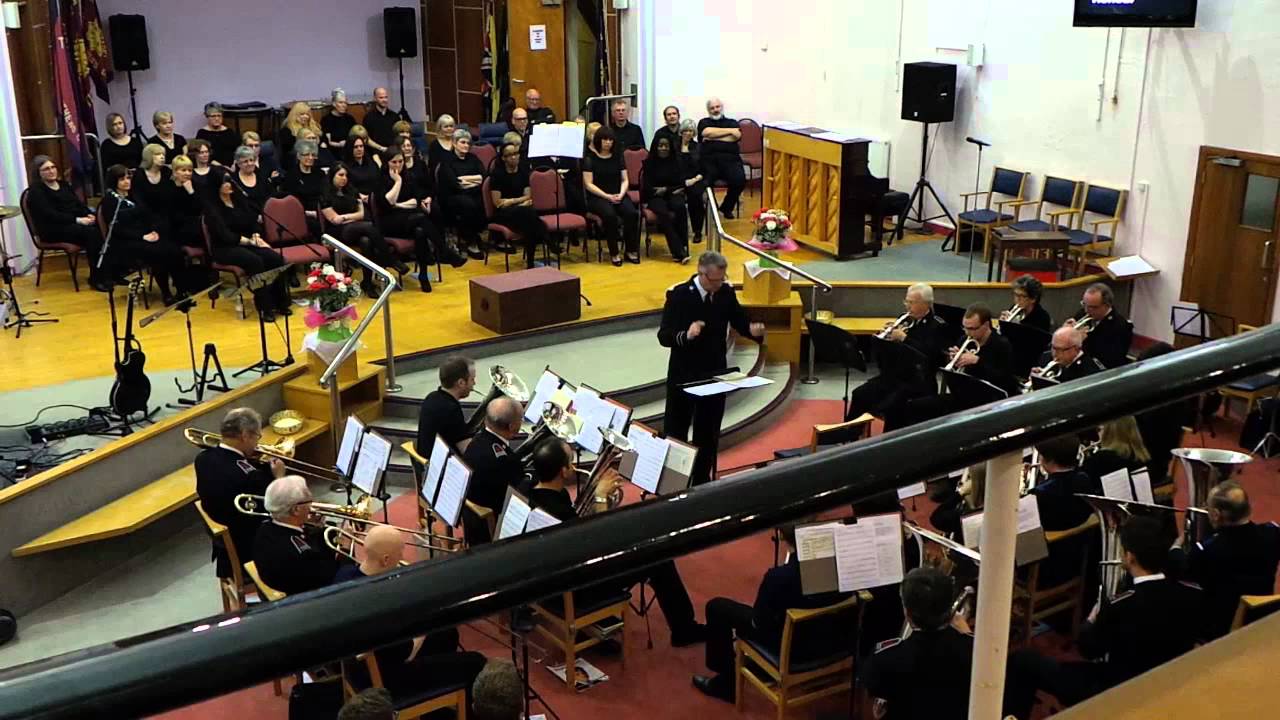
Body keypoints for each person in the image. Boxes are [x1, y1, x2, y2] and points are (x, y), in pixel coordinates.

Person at [1006, 516, 1203, 718]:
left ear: (1130, 557)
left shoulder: (1120, 605)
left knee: (1024, 660)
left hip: (1117, 691)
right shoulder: (1192, 593)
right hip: (1170, 684)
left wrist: (1091, 619)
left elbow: (1088, 650)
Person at [527, 439, 706, 646]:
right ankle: (684, 629)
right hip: (577, 589)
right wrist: (601, 498)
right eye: (570, 462)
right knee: (658, 558)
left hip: (550, 578)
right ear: (563, 471)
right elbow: (601, 552)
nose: (574, 466)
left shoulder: (534, 491)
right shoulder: (561, 513)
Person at [692, 522, 854, 703]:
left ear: (782, 536)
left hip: (794, 650)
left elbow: (759, 623)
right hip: (834, 642)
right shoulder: (844, 566)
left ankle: (726, 683)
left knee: (717, 607)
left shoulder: (778, 577)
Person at [333, 526, 487, 702]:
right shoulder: (381, 604)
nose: (402, 557)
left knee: (447, 634)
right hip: (386, 679)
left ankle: (441, 702)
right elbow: (408, 653)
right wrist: (425, 625)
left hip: (355, 665)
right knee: (476, 662)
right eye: (400, 553)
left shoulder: (345, 574)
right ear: (385, 560)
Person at [659, 251, 765, 486]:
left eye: (721, 278)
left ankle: (701, 481)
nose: (719, 284)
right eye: (714, 280)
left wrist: (752, 330)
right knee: (676, 432)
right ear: (701, 273)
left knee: (707, 433)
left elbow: (739, 320)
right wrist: (686, 335)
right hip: (684, 375)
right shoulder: (678, 296)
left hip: (715, 373)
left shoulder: (725, 293)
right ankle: (673, 482)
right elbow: (664, 335)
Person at [860, 567, 974, 720]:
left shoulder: (885, 659)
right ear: (949, 608)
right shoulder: (974, 650)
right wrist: (967, 634)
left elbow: (873, 693)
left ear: (907, 613)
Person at [1176, 481, 1280, 639]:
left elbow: (1183, 570)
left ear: (1216, 515)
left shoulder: (1206, 551)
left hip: (1221, 628)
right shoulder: (1273, 533)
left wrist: (1176, 548)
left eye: (1209, 508)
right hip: (1263, 614)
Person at [892, 303, 1017, 429]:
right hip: (963, 396)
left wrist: (978, 362)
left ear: (986, 325)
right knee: (912, 407)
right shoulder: (964, 339)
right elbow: (952, 374)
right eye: (965, 328)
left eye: (972, 328)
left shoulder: (1002, 345)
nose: (968, 333)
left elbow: (1004, 380)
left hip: (987, 401)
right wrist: (952, 359)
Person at [194, 408, 285, 576]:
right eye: (256, 436)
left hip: (223, 541)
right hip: (246, 545)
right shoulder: (249, 478)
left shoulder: (202, 458)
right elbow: (279, 506)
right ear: (244, 435)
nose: (257, 443)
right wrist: (279, 477)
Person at [845, 283, 947, 422]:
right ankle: (850, 434)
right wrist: (886, 338)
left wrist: (904, 338)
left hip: (919, 381)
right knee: (860, 394)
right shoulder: (905, 318)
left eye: (912, 302)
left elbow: (931, 357)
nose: (907, 306)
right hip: (896, 375)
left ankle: (887, 440)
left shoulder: (937, 326)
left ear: (926, 304)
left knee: (890, 407)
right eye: (906, 301)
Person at [99, 164, 197, 304]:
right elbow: (116, 229)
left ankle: (182, 291)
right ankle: (166, 293)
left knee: (174, 249)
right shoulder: (110, 201)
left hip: (145, 236)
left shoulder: (134, 195)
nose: (127, 182)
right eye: (122, 179)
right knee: (159, 252)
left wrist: (154, 230)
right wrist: (142, 236)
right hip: (126, 240)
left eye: (128, 178)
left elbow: (148, 215)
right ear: (114, 181)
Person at [205, 170, 291, 320]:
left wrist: (256, 235)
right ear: (216, 186)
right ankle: (265, 307)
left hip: (247, 242)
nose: (229, 185)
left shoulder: (239, 200)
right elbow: (224, 235)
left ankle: (281, 302)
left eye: (230, 181)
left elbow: (252, 222)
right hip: (225, 248)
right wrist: (249, 241)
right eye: (225, 182)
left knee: (275, 258)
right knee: (255, 261)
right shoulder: (212, 208)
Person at [377, 150, 463, 292]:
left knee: (420, 231)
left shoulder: (409, 176)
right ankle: (444, 251)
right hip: (389, 222)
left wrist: (398, 205)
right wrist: (397, 182)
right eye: (394, 162)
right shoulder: (381, 179)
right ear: (387, 163)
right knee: (421, 219)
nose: (398, 165)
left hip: (410, 219)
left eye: (400, 161)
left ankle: (424, 274)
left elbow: (415, 201)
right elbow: (387, 203)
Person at [25, 155, 111, 291]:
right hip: (53, 229)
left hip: (72, 224)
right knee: (91, 234)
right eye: (46, 169)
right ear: (38, 173)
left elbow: (77, 204)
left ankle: (109, 272)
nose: (51, 171)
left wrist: (89, 214)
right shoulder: (36, 191)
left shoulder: (64, 185)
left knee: (103, 227)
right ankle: (96, 278)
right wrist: (78, 220)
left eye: (53, 167)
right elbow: (50, 215)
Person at [321, 162, 406, 297]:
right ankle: (390, 259)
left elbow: (361, 214)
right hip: (336, 233)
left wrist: (346, 217)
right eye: (340, 175)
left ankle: (367, 282)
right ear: (332, 176)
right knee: (368, 226)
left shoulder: (352, 191)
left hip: (356, 229)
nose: (344, 178)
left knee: (366, 241)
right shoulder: (325, 194)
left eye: (346, 175)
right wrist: (350, 218)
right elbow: (334, 220)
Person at [252, 475, 347, 595]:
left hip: (279, 576)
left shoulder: (266, 526)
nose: (313, 504)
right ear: (296, 510)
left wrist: (313, 526)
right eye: (309, 502)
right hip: (308, 594)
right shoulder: (299, 553)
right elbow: (331, 574)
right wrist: (346, 548)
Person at [1028, 435, 1097, 588]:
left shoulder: (1039, 495)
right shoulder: (1083, 480)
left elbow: (1029, 546)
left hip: (1046, 572)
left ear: (1049, 460)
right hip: (1077, 565)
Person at [1133, 342, 1197, 485]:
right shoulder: (1162, 391)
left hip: (1150, 463)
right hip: (1144, 454)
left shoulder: (1171, 401)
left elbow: (1148, 437)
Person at [462, 396, 526, 524]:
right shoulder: (506, 462)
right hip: (493, 522)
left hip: (471, 514)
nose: (522, 421)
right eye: (521, 419)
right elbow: (520, 498)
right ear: (512, 427)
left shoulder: (475, 442)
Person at [584, 126, 640, 266]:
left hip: (618, 193)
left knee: (632, 213)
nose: (608, 143)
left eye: (610, 140)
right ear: (598, 141)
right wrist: (607, 196)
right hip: (598, 196)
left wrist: (621, 194)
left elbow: (625, 179)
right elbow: (588, 184)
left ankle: (630, 250)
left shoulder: (617, 158)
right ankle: (614, 253)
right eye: (604, 140)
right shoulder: (590, 159)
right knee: (609, 216)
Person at [490, 143, 550, 266]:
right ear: (503, 158)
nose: (514, 157)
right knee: (529, 215)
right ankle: (547, 239)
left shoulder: (523, 171)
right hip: (502, 214)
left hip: (519, 211)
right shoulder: (497, 174)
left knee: (529, 225)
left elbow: (528, 195)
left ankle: (531, 263)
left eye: (516, 154)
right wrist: (519, 202)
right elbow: (497, 202)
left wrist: (511, 201)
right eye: (509, 155)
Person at [439, 129, 488, 259]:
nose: (466, 145)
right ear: (454, 143)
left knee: (483, 202)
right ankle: (471, 240)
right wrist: (475, 179)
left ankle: (474, 235)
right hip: (453, 196)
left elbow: (483, 176)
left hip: (473, 192)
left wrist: (466, 179)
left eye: (468, 143)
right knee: (469, 205)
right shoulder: (447, 161)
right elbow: (455, 183)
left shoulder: (473, 158)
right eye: (463, 142)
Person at [642, 135, 691, 263]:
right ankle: (678, 250)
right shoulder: (649, 163)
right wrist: (660, 191)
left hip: (671, 193)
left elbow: (680, 183)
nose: (663, 148)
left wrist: (666, 189)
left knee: (680, 207)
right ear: (655, 147)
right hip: (654, 196)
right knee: (664, 214)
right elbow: (646, 186)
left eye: (666, 146)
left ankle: (683, 245)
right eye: (660, 146)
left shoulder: (676, 162)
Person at [416, 356, 477, 456]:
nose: (474, 383)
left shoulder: (431, 397)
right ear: (461, 383)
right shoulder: (451, 409)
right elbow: (467, 452)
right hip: (441, 466)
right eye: (472, 379)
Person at [697, 97, 745, 219]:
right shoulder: (704, 122)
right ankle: (711, 210)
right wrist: (729, 133)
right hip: (709, 161)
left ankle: (726, 207)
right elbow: (706, 132)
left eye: (717, 107)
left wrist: (713, 137)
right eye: (712, 108)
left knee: (739, 180)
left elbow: (736, 136)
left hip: (731, 161)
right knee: (705, 182)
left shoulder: (732, 122)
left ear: (721, 107)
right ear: (708, 110)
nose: (715, 110)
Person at [1066, 282, 1133, 369]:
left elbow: (1108, 361)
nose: (1086, 310)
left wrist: (1080, 341)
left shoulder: (1121, 326)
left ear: (1107, 305)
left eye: (1093, 307)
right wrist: (1065, 333)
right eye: (1084, 304)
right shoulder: (1082, 313)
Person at [1079, 416, 1151, 488]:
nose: (1099, 434)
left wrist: (1082, 460)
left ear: (1109, 431)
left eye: (1099, 429)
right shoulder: (1141, 455)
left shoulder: (1101, 458)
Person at [1030, 326, 1105, 385]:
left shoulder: (1089, 372)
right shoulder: (1045, 357)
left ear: (1076, 349)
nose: (1055, 354)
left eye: (1061, 350)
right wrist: (1035, 379)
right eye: (1054, 348)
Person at [279, 139, 325, 236]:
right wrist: (308, 212)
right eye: (306, 154)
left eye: (313, 155)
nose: (310, 157)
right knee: (315, 226)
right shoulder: (291, 175)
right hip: (302, 214)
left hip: (321, 211)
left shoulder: (320, 173)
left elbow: (325, 194)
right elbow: (290, 201)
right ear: (299, 156)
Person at [162, 155, 208, 252]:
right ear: (174, 172)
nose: (187, 173)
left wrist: (191, 191)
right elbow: (171, 215)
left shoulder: (196, 185)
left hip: (195, 223)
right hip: (176, 226)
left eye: (190, 170)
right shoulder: (167, 188)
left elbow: (201, 208)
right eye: (183, 170)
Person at [677, 119, 706, 243]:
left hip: (694, 180)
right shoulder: (674, 146)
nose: (688, 133)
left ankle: (697, 231)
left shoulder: (699, 147)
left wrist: (694, 180)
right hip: (677, 180)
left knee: (696, 198)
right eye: (685, 131)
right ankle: (679, 231)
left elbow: (704, 168)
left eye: (690, 131)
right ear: (681, 132)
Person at [132, 144, 172, 216]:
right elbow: (138, 199)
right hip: (145, 215)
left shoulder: (167, 172)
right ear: (148, 156)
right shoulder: (139, 175)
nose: (162, 157)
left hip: (166, 214)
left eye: (163, 154)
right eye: (158, 154)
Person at [230, 145, 273, 209]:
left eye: (251, 160)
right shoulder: (234, 181)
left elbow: (271, 197)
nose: (249, 163)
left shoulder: (262, 176)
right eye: (245, 161)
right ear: (238, 164)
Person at [343, 130, 382, 198]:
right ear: (350, 148)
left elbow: (379, 181)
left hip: (375, 198)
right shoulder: (345, 167)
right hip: (357, 199)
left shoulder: (371, 163)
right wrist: (360, 196)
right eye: (356, 147)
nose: (359, 149)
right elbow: (347, 187)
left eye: (361, 146)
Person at [364, 87, 402, 154]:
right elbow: (366, 139)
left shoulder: (395, 116)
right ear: (375, 99)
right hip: (375, 152)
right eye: (381, 98)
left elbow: (400, 136)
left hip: (393, 152)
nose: (384, 100)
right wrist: (381, 148)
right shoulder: (368, 118)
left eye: (386, 97)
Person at [321, 89, 356, 155]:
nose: (344, 105)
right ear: (334, 104)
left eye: (345, 103)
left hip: (349, 151)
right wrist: (339, 144)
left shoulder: (350, 119)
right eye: (340, 102)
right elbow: (326, 141)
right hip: (333, 153)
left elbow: (355, 136)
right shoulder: (326, 120)